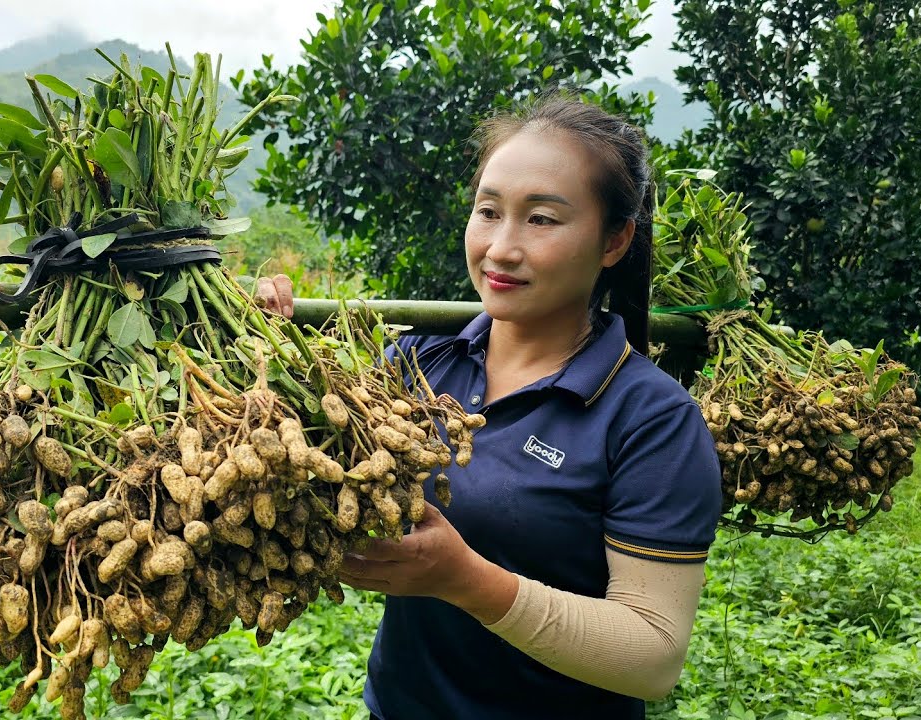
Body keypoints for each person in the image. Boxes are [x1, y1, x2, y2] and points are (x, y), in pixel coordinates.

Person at [253, 96, 722, 719]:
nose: (501, 248)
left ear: (615, 241)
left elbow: (654, 657)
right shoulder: (414, 367)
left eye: (542, 220)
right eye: (488, 211)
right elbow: (304, 459)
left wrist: (464, 580)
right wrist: (267, 344)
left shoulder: (652, 419)